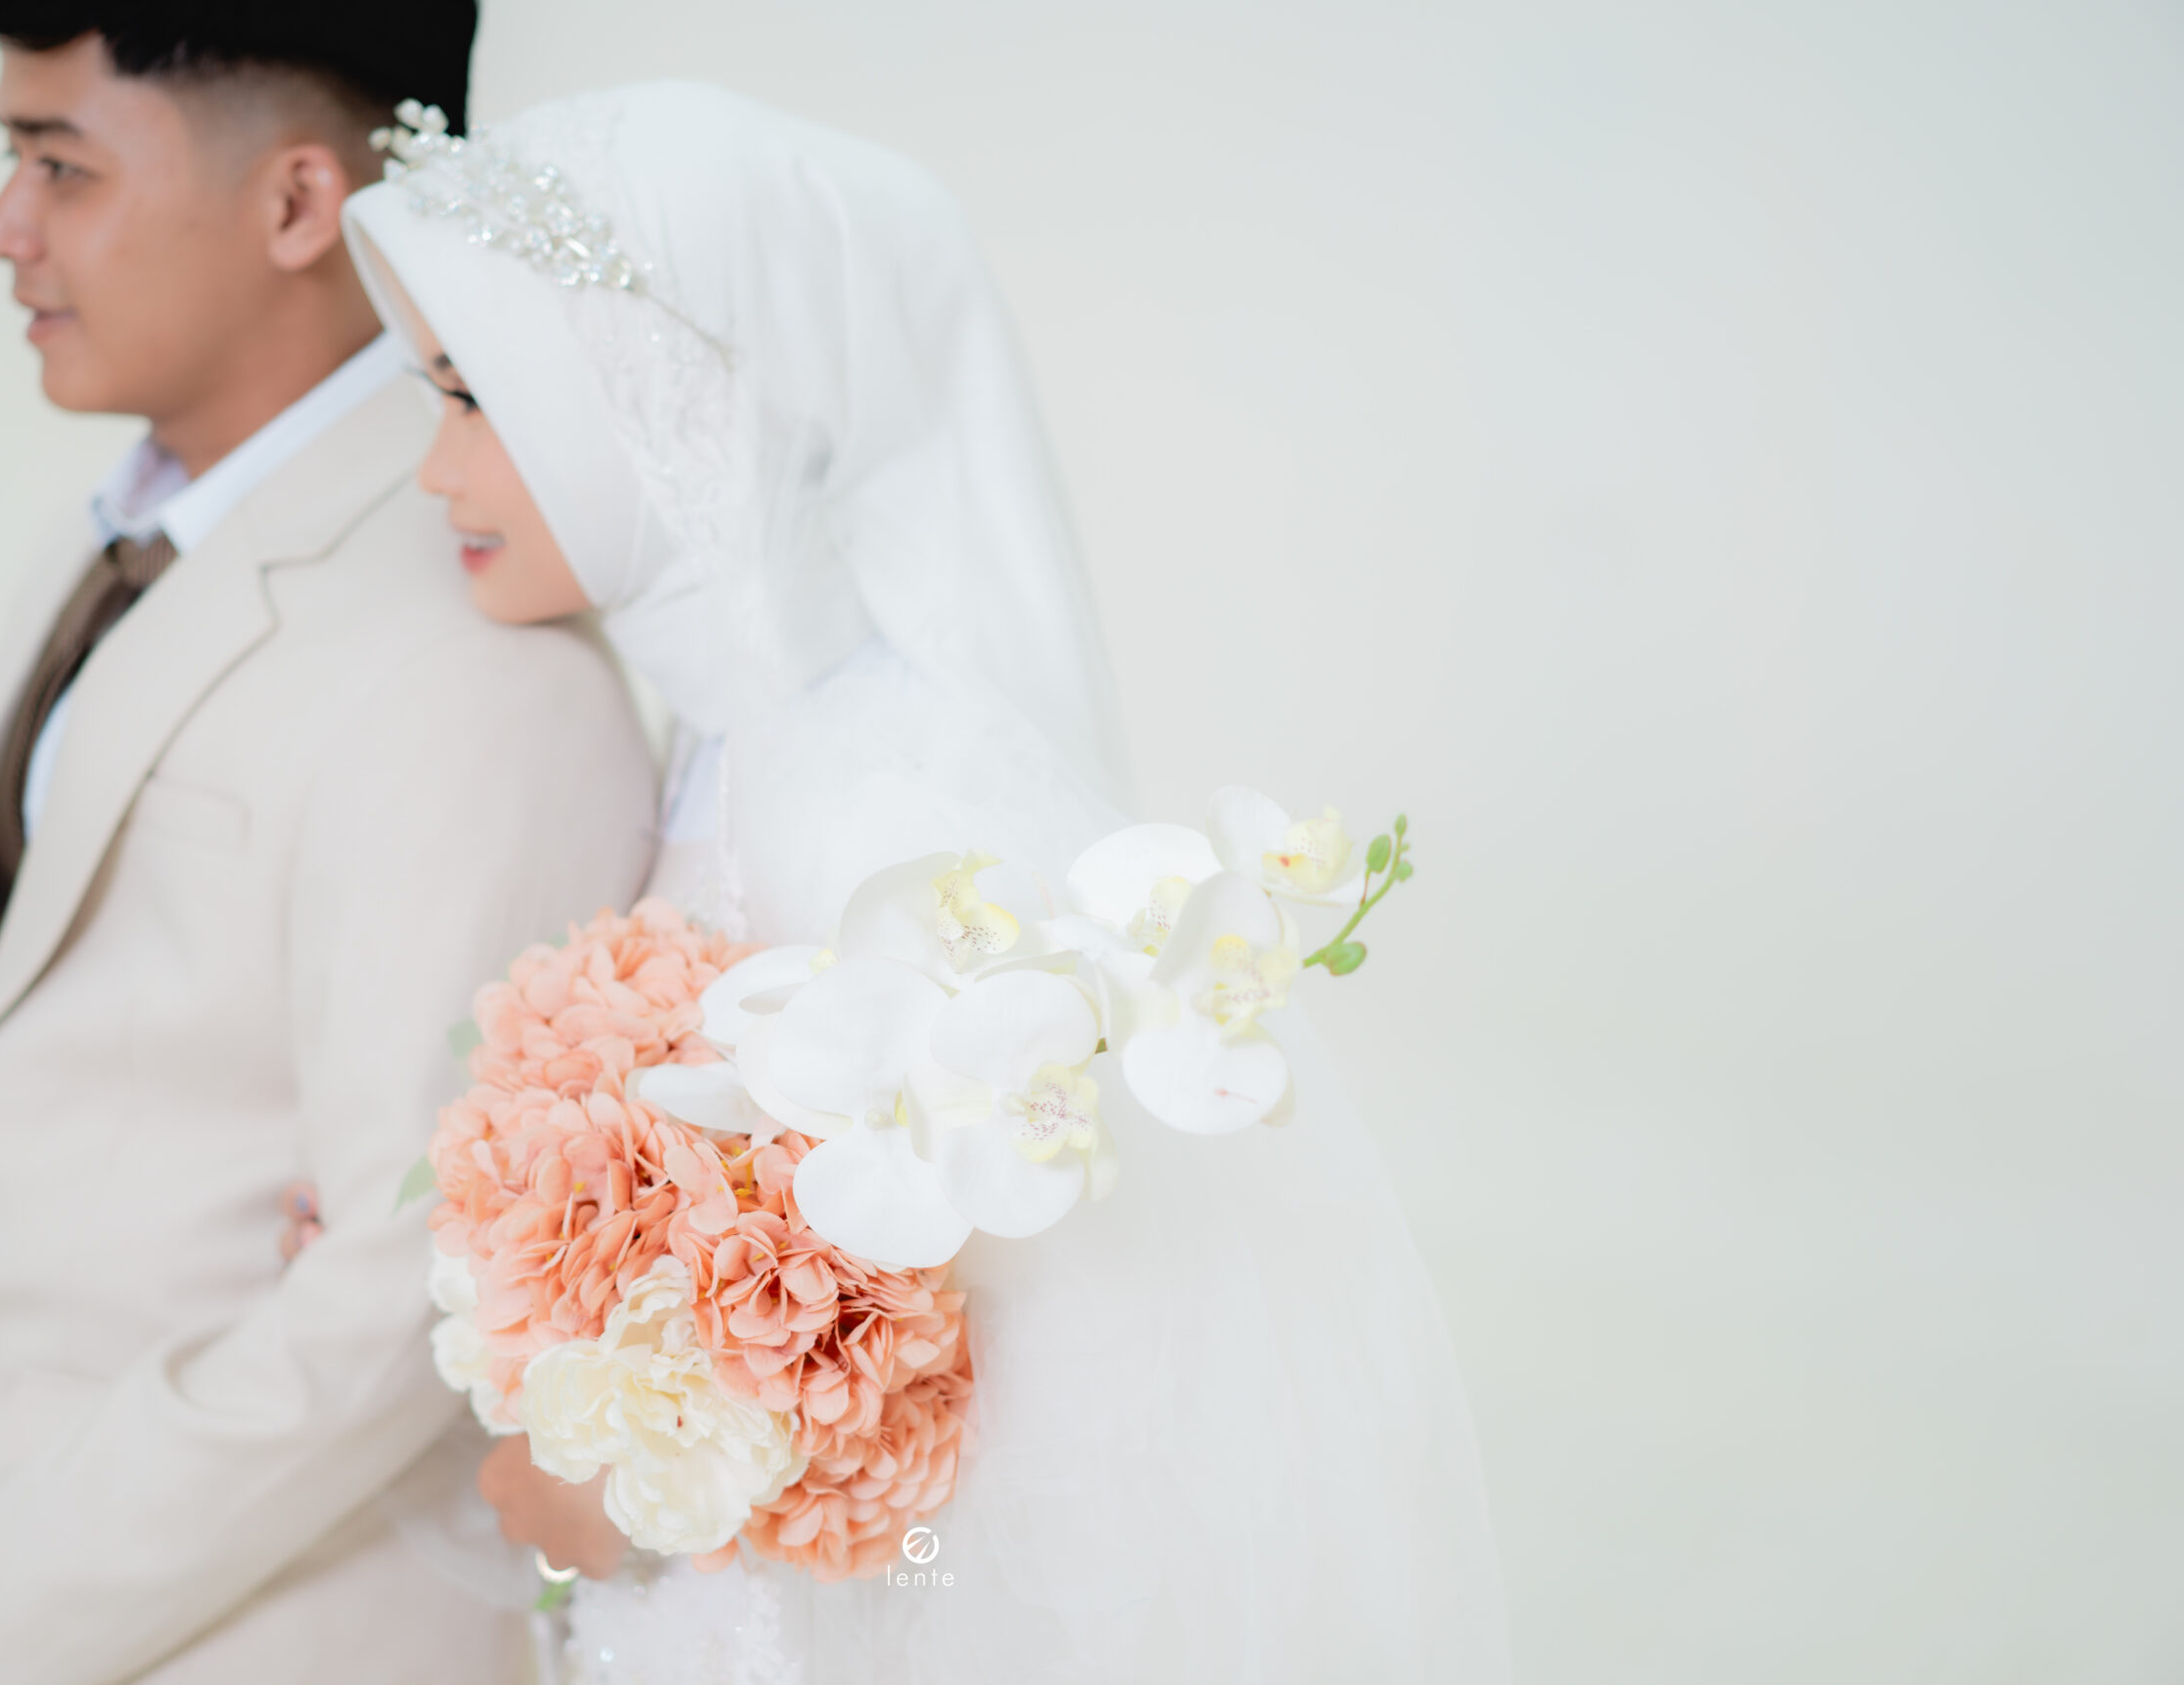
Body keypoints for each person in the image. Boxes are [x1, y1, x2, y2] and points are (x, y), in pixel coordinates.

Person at [332, 82, 1513, 1681]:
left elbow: (1047, 1429)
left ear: (647, 395)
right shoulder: (734, 738)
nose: (435, 471)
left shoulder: (880, 798)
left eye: (475, 399)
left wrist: (628, 1493)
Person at [0, 7, 658, 1683]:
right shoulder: (122, 541)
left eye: (60, 168)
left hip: (217, 1626)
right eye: (11, 162)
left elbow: (400, 1287)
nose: (4, 230)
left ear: (299, 204)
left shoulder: (473, 642)